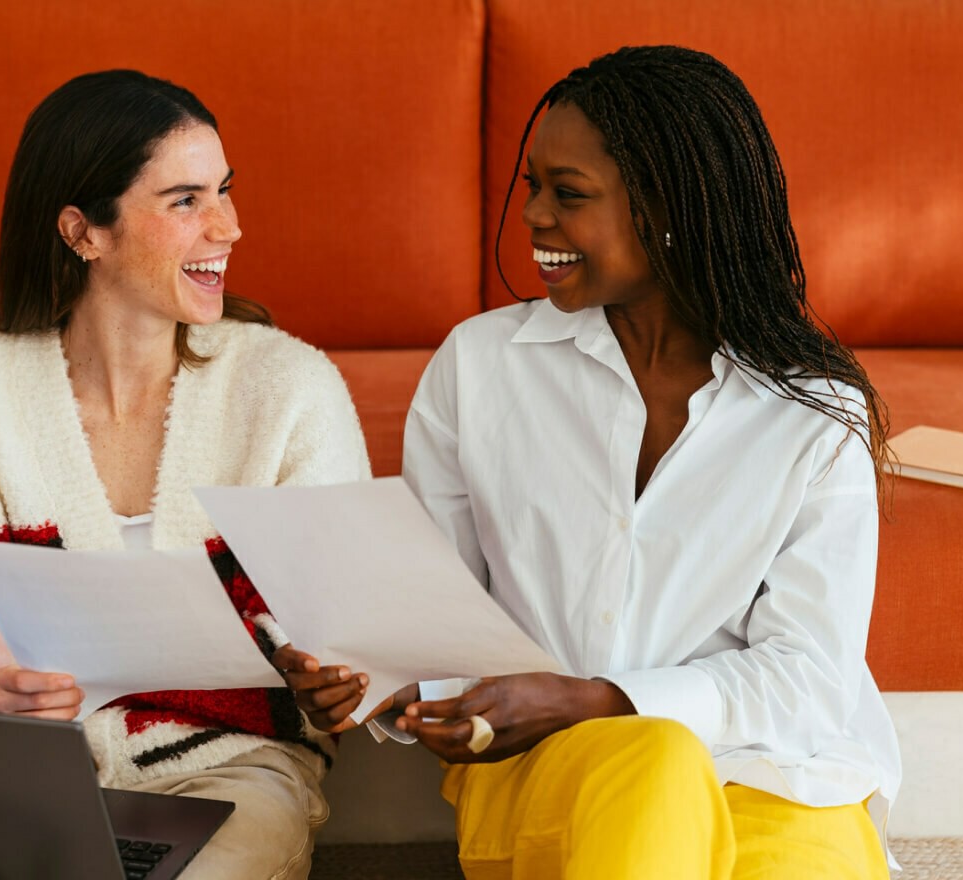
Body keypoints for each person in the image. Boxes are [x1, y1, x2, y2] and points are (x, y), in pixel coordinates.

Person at [281, 46, 901, 879]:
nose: (532, 215)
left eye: (567, 194)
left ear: (668, 209)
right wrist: (378, 681)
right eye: (532, 184)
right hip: (545, 769)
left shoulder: (812, 413)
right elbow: (432, 617)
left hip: (778, 771)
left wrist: (598, 695)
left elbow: (809, 680)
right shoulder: (480, 367)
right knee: (654, 762)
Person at [0, 69, 371, 880]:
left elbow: (334, 635)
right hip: (26, 770)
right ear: (84, 231)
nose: (228, 227)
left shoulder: (290, 390)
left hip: (229, 769)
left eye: (225, 191)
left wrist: (320, 672)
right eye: (185, 201)